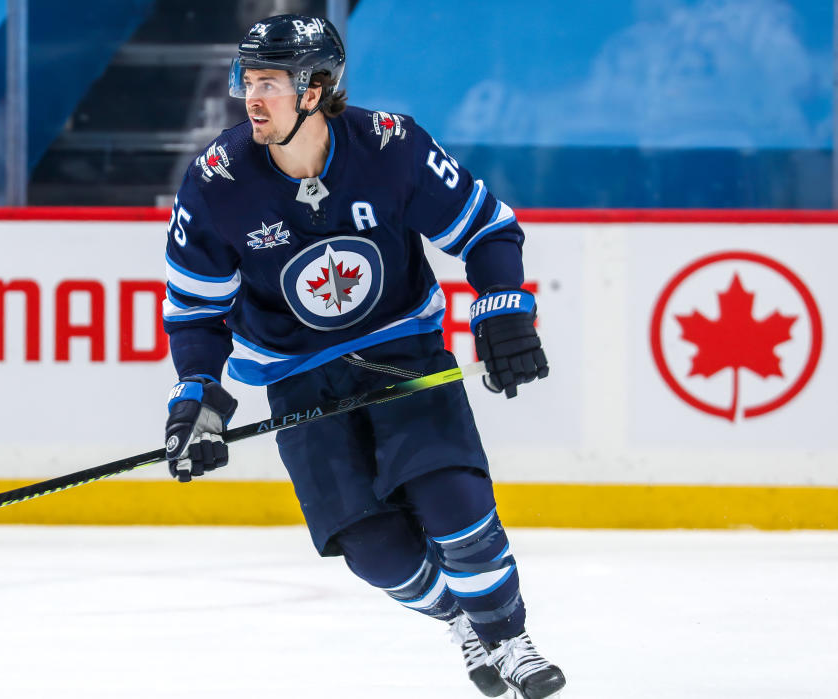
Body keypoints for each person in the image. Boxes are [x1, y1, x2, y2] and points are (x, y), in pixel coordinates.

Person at [160, 14, 565, 699]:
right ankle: (461, 620)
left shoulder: (391, 147)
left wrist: (502, 302)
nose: (251, 98)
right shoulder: (216, 182)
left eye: (270, 84)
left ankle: (510, 636)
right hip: (297, 376)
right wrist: (196, 391)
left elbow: (488, 229)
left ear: (315, 90)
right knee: (377, 553)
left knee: (458, 510)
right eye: (247, 81)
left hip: (402, 352)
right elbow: (196, 310)